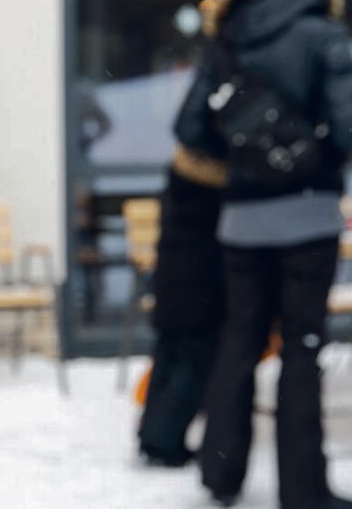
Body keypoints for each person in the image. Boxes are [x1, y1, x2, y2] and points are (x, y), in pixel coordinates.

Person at [174, 0, 352, 509]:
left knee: (239, 340)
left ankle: (221, 473)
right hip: (309, 218)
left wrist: (243, 162)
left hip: (240, 221)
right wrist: (312, 159)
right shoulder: (323, 34)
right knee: (301, 349)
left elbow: (188, 128)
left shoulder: (226, 37)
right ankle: (303, 490)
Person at [136, 145, 226, 467]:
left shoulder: (179, 185)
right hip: (197, 292)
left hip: (173, 289)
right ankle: (165, 440)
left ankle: (152, 436)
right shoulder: (209, 197)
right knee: (192, 364)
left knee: (168, 359)